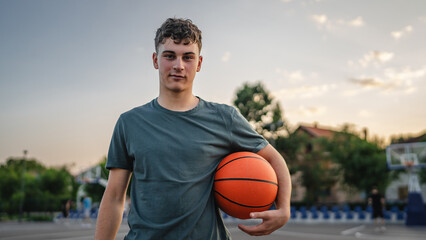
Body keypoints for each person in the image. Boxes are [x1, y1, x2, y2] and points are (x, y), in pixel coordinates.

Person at [95, 18, 291, 240]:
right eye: (169, 55)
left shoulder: (224, 118)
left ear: (198, 63)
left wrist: (284, 209)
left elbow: (274, 159)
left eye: (188, 57)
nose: (179, 65)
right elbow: (113, 196)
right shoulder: (129, 123)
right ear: (155, 60)